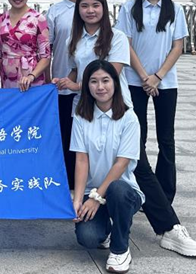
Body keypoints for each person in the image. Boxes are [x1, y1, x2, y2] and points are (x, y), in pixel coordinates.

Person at [117, 0, 196, 257]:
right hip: (134, 80)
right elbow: (126, 44)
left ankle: (165, 196)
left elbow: (178, 46)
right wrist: (144, 76)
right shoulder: (129, 8)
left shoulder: (174, 9)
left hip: (165, 82)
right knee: (136, 140)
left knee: (166, 139)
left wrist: (158, 76)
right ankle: (143, 192)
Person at [71, 60, 144, 274]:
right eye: (94, 81)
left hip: (123, 192)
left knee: (117, 189)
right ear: (87, 86)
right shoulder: (81, 116)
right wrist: (78, 200)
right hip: (92, 190)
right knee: (88, 238)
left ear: (115, 83)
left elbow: (121, 164)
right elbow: (81, 160)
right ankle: (108, 230)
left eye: (105, 80)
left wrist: (96, 198)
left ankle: (120, 250)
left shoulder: (129, 118)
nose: (100, 87)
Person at [53, 0, 132, 115]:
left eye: (95, 5)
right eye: (84, 6)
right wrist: (63, 82)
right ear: (78, 10)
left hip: (113, 105)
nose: (90, 10)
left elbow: (113, 73)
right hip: (84, 105)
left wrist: (78, 86)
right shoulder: (72, 40)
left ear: (103, 8)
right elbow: (76, 70)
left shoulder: (117, 37)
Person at [46, 0, 90, 188]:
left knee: (86, 136)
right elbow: (46, 49)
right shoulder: (55, 11)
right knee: (64, 134)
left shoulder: (93, 8)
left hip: (91, 87)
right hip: (63, 83)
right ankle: (66, 183)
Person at [0, 0, 50, 91]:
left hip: (32, 80)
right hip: (7, 80)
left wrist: (31, 76)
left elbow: (46, 56)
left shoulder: (38, 19)